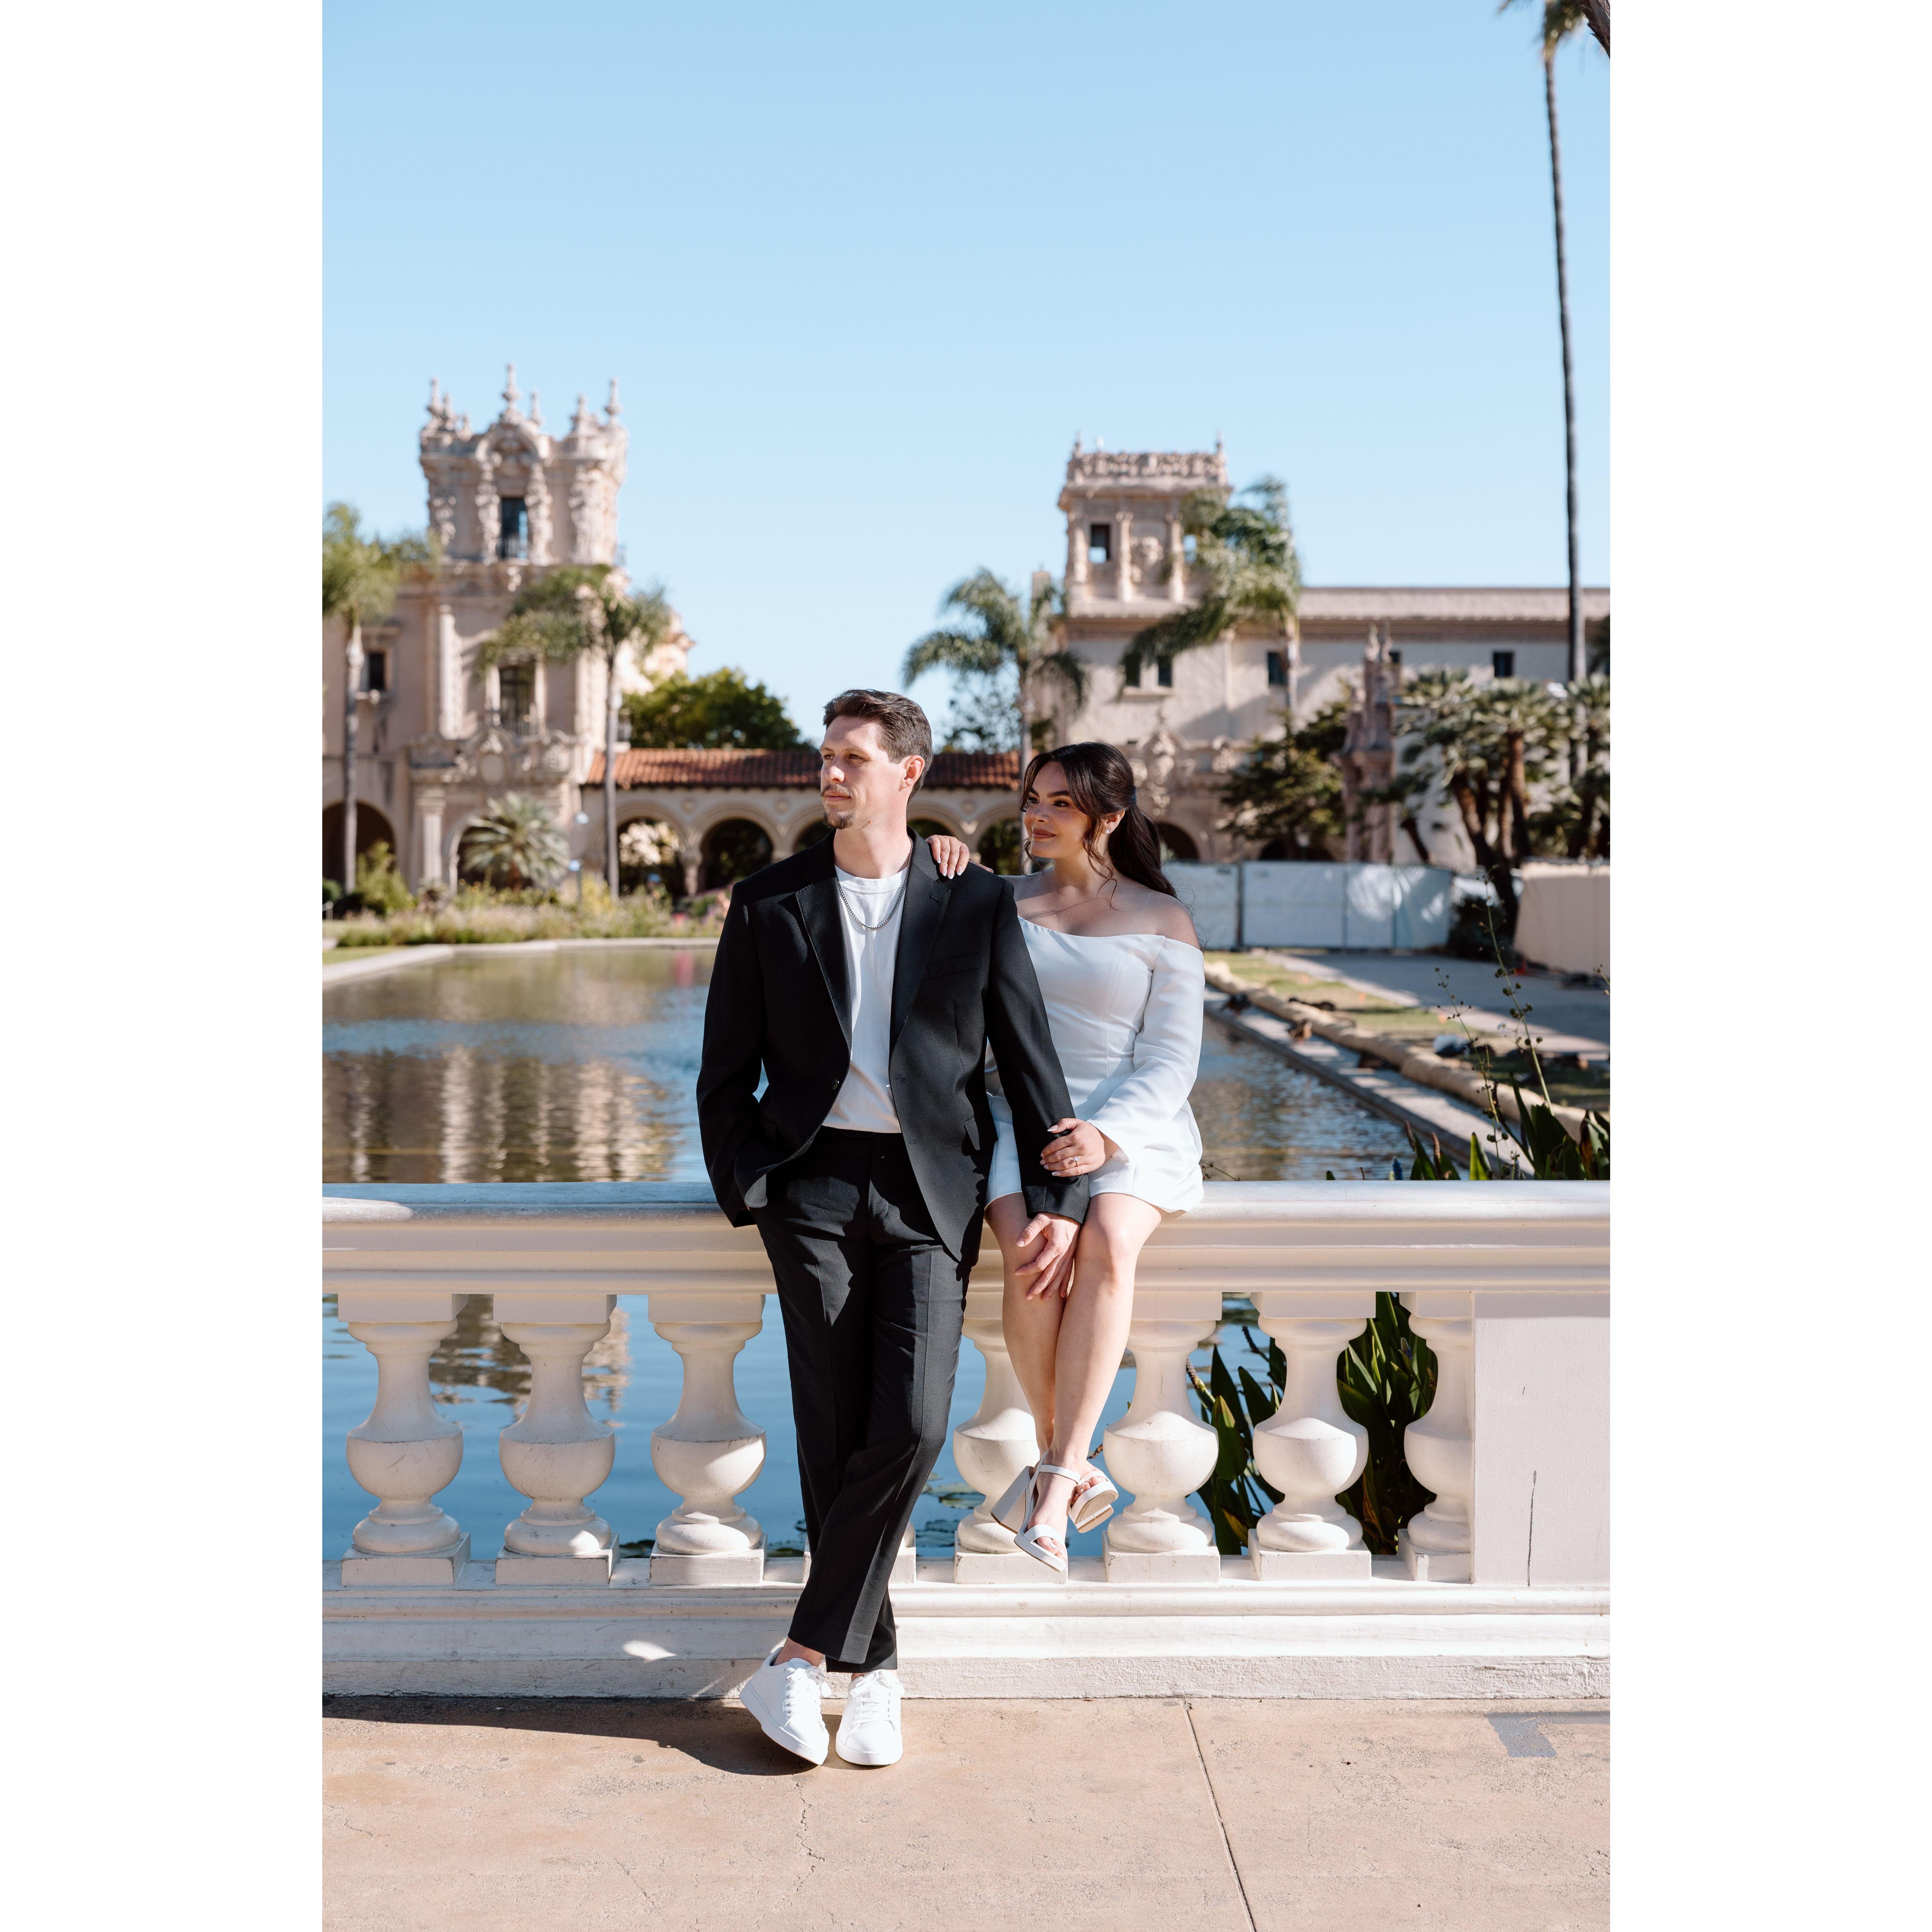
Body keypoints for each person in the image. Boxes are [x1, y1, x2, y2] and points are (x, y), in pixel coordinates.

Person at [696, 689, 1088, 1770]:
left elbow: (1026, 1057)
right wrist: (750, 1186)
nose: (830, 773)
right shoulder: (768, 901)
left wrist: (1059, 1196)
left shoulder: (973, 899)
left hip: (929, 1191)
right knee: (832, 1433)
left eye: (852, 759)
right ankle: (875, 1678)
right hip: (811, 1188)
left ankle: (801, 1654)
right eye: (825, 756)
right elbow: (724, 1072)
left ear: (908, 774)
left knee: (913, 1425)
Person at [926, 741, 1203, 1573]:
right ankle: (1069, 1464)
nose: (1036, 816)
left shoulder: (1162, 917)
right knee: (1030, 1255)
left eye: (1060, 804)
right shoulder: (997, 900)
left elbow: (1172, 1058)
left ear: (1107, 819)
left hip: (1134, 1122)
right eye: (1032, 799)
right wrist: (937, 852)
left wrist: (1106, 1135)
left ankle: (1053, 1479)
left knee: (1107, 1239)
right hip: (1017, 1116)